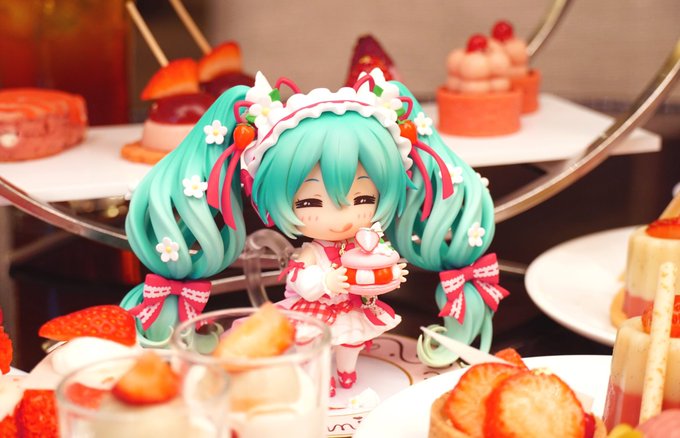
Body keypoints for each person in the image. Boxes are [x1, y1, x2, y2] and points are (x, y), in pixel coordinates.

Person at [121, 69, 507, 381]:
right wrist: (328, 281)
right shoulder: (310, 253)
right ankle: (314, 381)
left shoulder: (367, 242)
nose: (342, 218)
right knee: (308, 347)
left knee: (351, 343)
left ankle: (347, 373)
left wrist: (387, 276)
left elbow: (376, 276)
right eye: (309, 203)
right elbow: (299, 280)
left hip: (352, 310)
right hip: (313, 310)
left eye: (363, 199)